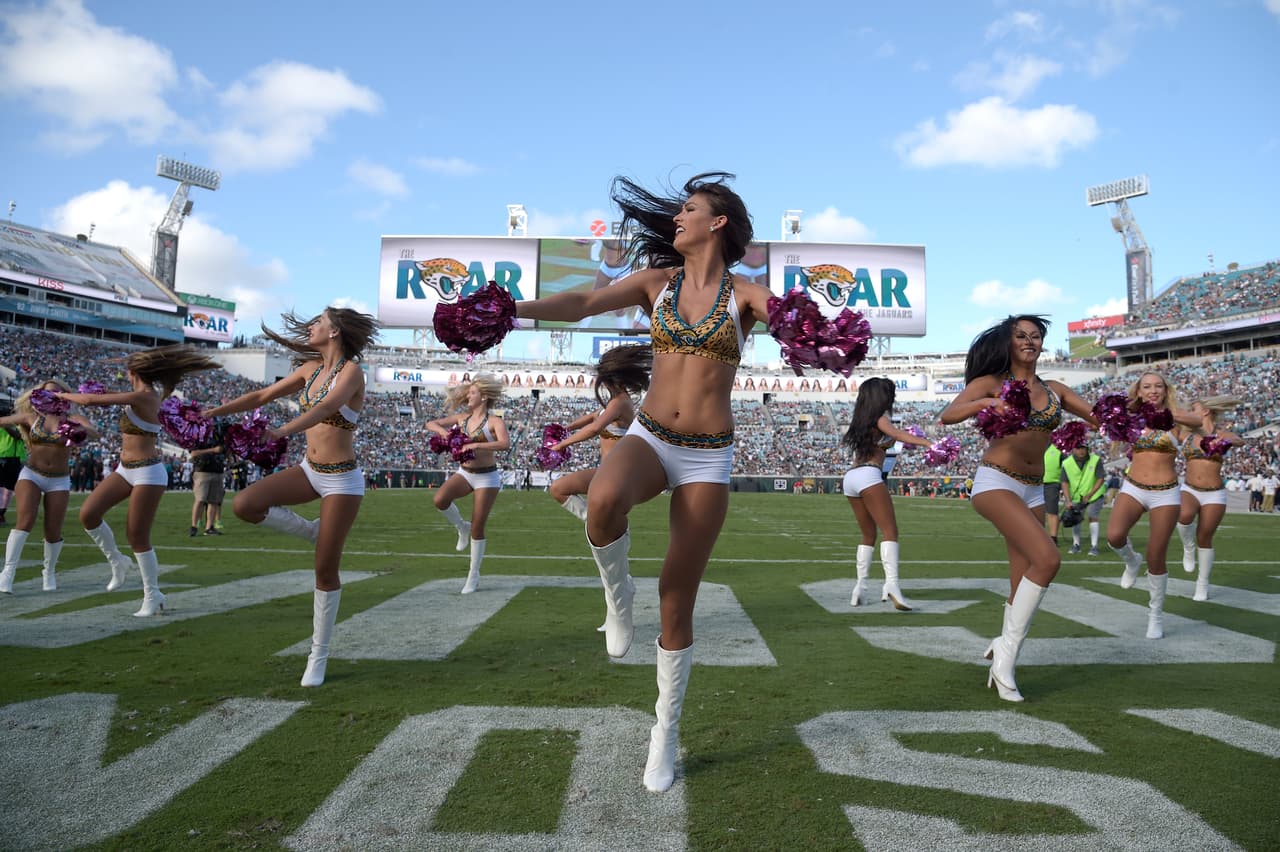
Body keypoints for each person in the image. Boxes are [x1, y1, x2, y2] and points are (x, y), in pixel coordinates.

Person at [515, 171, 777, 793]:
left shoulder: (747, 294)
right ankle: (615, 599)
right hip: (653, 436)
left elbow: (800, 323)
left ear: (718, 223)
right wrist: (512, 310)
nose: (677, 218)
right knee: (601, 500)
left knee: (677, 595)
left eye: (690, 209)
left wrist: (822, 333)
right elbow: (579, 304)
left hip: (708, 456)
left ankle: (664, 733)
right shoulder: (655, 284)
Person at [203, 307, 379, 687]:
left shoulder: (351, 372)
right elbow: (262, 394)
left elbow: (329, 407)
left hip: (342, 481)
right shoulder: (308, 369)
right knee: (245, 505)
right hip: (308, 471)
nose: (312, 327)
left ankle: (318, 653)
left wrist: (280, 431)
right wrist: (213, 412)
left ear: (335, 333)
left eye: (319, 322)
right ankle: (312, 531)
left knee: (325, 571)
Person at [939, 315, 1097, 702]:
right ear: (1007, 343)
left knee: (1020, 585)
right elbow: (948, 415)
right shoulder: (993, 382)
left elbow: (1100, 416)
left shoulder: (1056, 389)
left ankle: (1002, 648)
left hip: (1034, 490)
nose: (1029, 341)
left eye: (1036, 336)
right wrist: (989, 401)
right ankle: (1005, 662)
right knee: (1048, 559)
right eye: (1020, 335)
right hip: (996, 480)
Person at [58, 347, 219, 615]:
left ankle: (152, 594)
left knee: (137, 535)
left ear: (132, 372)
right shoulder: (135, 396)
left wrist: (59, 396)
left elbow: (88, 402)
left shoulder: (145, 397)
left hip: (148, 472)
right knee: (88, 514)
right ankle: (118, 562)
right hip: (124, 469)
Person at [1105, 372, 1208, 639]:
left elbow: (1198, 421)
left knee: (1156, 555)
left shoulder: (1176, 418)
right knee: (1114, 536)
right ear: (1139, 391)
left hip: (1166, 493)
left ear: (1165, 390)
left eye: (1158, 386)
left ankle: (1155, 615)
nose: (1152, 390)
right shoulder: (1132, 416)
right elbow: (1103, 418)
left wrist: (1166, 415)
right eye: (1147, 386)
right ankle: (1131, 561)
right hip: (1134, 487)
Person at [840, 378, 932, 610]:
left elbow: (887, 440)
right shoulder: (881, 417)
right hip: (870, 475)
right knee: (890, 531)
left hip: (851, 478)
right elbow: (896, 434)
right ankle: (891, 585)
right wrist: (928, 443)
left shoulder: (861, 420)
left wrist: (898, 439)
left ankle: (859, 588)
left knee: (868, 535)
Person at [0, 381, 100, 593]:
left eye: (57, 391)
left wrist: (79, 430)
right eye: (48, 392)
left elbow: (95, 432)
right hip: (32, 474)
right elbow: (3, 421)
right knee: (25, 521)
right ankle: (7, 573)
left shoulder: (72, 419)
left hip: (59, 479)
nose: (52, 395)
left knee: (52, 531)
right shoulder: (32, 417)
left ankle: (49, 571)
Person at [546, 343, 652, 522]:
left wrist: (563, 444)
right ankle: (596, 521)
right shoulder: (614, 403)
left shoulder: (620, 402)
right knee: (560, 489)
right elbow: (592, 417)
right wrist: (565, 429)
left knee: (558, 488)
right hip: (610, 470)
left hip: (616, 472)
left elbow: (595, 427)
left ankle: (594, 521)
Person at [426, 375, 511, 594]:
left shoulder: (494, 422)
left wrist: (476, 444)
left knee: (478, 526)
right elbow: (431, 423)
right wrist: (443, 432)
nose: (467, 396)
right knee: (440, 499)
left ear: (483, 397)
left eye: (472, 393)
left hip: (487, 477)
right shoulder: (461, 418)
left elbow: (504, 443)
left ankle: (473, 575)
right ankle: (460, 527)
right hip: (465, 472)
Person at [1174, 396, 1243, 601]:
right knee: (1184, 516)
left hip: (1214, 493)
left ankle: (1202, 583)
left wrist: (1227, 440)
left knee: (1205, 537)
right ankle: (1188, 546)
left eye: (1193, 409)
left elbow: (1240, 440)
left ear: (1205, 411)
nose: (1189, 413)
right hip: (1190, 488)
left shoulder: (1221, 433)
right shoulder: (1185, 434)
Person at [1060, 441, 1106, 556]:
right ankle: (1076, 544)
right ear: (1073, 449)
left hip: (1094, 495)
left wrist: (1090, 494)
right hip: (1077, 496)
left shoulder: (1095, 460)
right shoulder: (1066, 463)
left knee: (1092, 515)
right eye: (1078, 448)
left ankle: (1094, 546)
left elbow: (1100, 478)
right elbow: (1064, 482)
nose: (1081, 450)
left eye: (1083, 448)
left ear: (1087, 448)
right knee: (1075, 518)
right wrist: (1068, 500)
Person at [189, 418, 227, 537]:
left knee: (214, 501)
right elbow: (193, 453)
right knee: (200, 499)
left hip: (217, 470)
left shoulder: (219, 437)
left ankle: (209, 527)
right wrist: (213, 450)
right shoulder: (198, 437)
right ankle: (194, 526)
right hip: (202, 471)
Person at [0, 403, 26, 526]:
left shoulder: (17, 425)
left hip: (13, 458)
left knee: (8, 488)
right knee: (6, 488)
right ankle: (1, 513)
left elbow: (18, 436)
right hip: (8, 458)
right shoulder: (15, 425)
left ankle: (1, 513)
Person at [1042, 444, 1063, 545]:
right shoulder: (1034, 446)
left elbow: (1066, 467)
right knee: (1034, 511)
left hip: (1052, 484)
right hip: (1034, 482)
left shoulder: (1058, 449)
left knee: (1052, 511)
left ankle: (1053, 538)